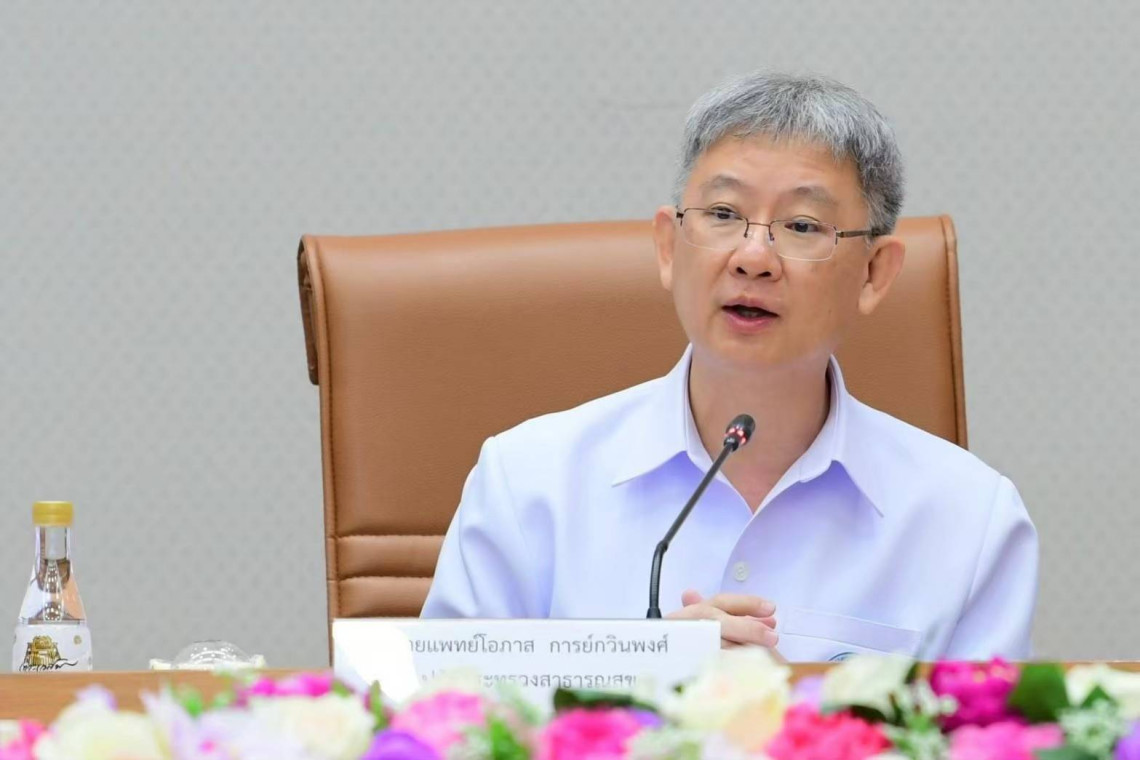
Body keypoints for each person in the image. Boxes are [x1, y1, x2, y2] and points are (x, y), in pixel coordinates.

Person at [420, 72, 1038, 661]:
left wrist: (793, 707)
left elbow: (991, 726)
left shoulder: (970, 519)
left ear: (875, 273)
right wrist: (640, 684)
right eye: (722, 214)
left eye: (802, 225)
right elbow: (438, 716)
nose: (753, 257)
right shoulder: (529, 482)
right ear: (668, 247)